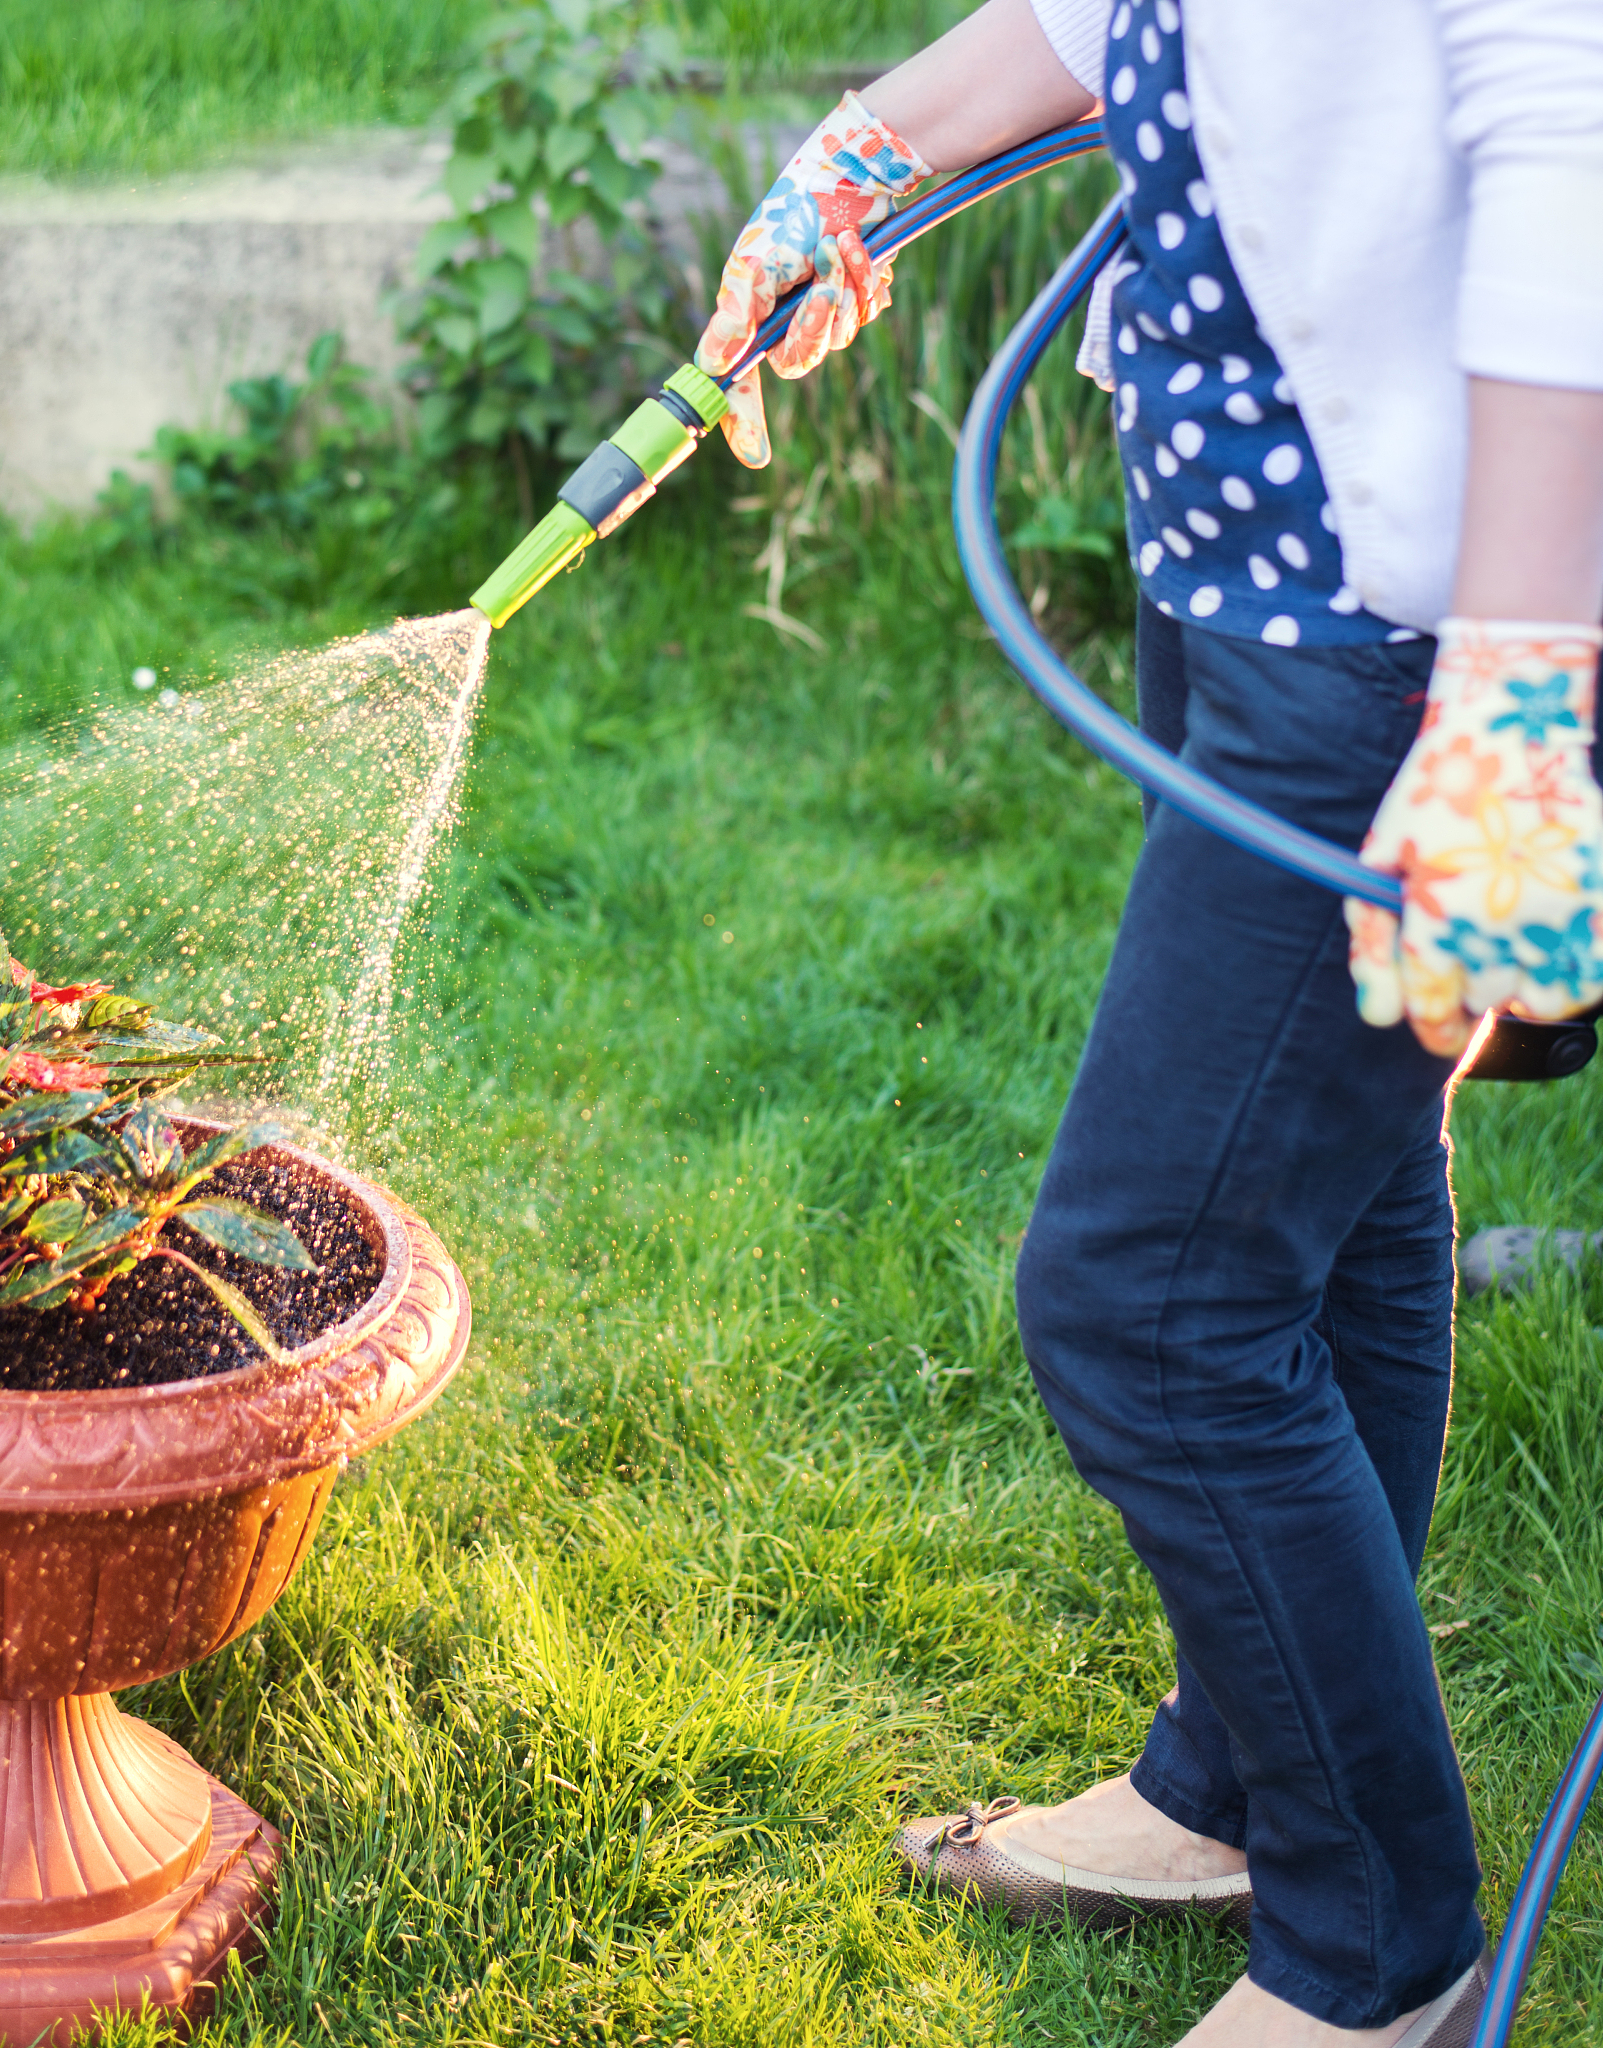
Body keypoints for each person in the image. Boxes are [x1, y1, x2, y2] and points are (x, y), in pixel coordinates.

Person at [692, 2, 1603, 2044]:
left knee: (1151, 1300)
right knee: (1334, 1206)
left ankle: (1376, 1950)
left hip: (1406, 635)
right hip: (1262, 573)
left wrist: (1518, 696)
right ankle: (1240, 1791)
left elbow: (1572, 123)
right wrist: (864, 152)